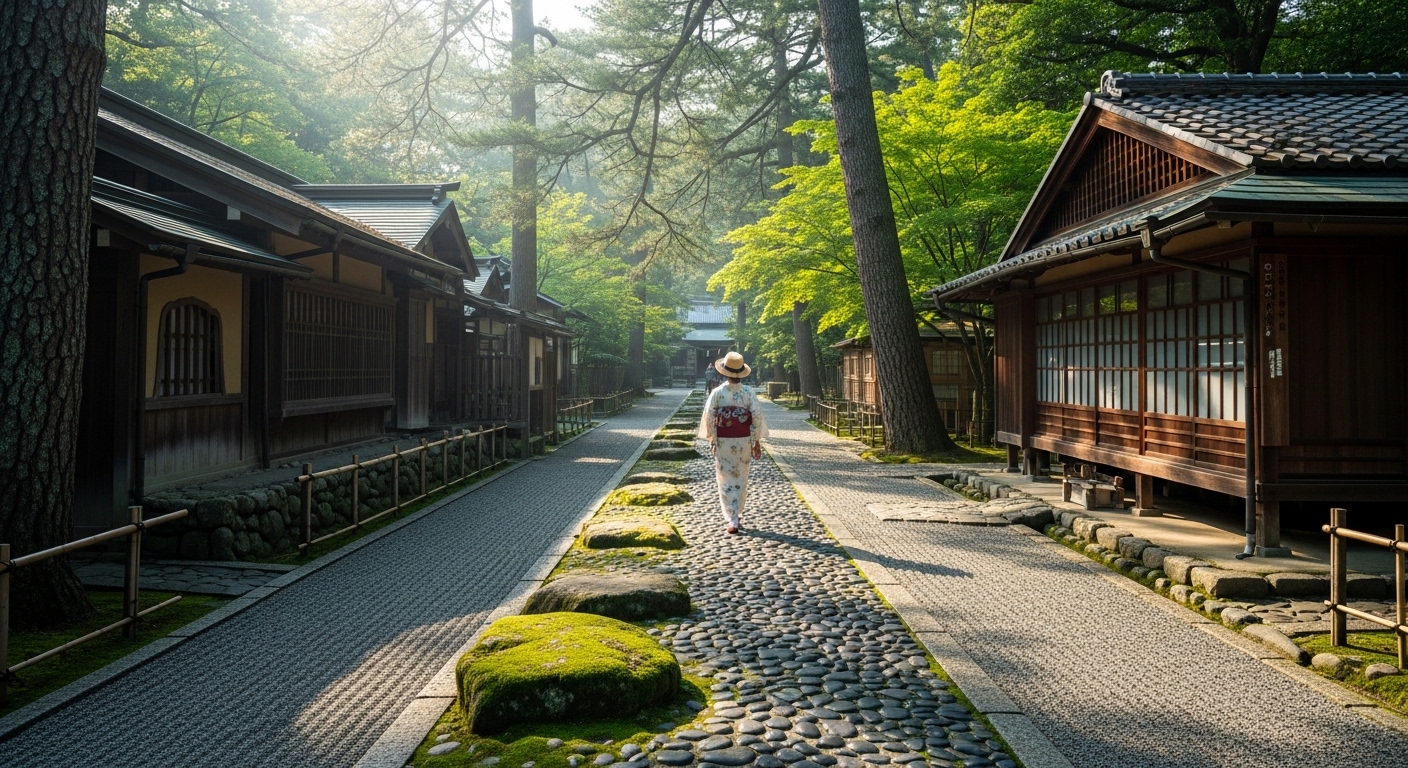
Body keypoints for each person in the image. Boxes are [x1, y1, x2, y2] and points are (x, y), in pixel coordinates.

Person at [698, 351, 768, 534]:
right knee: (741, 476)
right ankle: (737, 513)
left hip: (723, 441)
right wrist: (756, 441)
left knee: (725, 478)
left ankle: (732, 517)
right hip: (743, 440)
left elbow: (709, 416)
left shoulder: (717, 393)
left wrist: (713, 439)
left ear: (724, 372)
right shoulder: (748, 392)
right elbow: (757, 417)